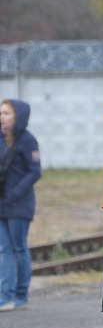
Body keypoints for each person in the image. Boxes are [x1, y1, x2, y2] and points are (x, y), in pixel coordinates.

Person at [0, 99, 41, 311]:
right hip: (2, 204)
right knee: (4, 250)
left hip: (19, 205)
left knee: (18, 248)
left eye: (6, 113)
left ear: (18, 116)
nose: (2, 117)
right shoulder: (1, 139)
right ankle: (5, 297)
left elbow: (35, 171)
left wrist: (15, 193)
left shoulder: (27, 140)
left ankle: (20, 295)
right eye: (1, 113)